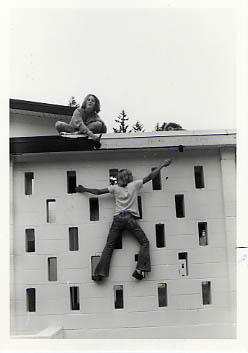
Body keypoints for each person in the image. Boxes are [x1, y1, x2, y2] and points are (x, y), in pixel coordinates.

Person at [75, 159, 172, 281]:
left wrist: (84, 189)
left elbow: (98, 192)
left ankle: (99, 274)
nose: (132, 176)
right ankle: (139, 270)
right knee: (144, 243)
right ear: (128, 178)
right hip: (130, 219)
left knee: (109, 245)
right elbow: (150, 176)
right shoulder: (135, 185)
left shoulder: (115, 188)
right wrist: (162, 165)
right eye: (130, 175)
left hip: (118, 219)